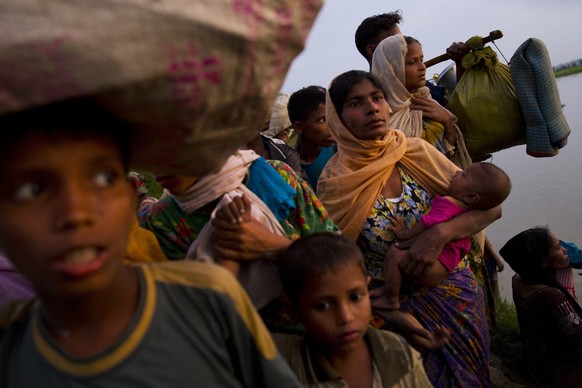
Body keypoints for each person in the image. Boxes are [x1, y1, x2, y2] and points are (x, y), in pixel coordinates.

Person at [0, 99, 301, 386]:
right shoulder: (12, 347)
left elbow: (333, 258)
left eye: (103, 179)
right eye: (31, 190)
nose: (75, 213)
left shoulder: (207, 299)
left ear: (130, 195)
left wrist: (270, 246)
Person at [316, 70, 501, 387]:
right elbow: (334, 265)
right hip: (397, 313)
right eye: (356, 103)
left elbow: (490, 208)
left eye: (376, 98)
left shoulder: (416, 151)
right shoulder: (335, 185)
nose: (373, 108)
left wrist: (439, 234)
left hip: (457, 296)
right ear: (338, 118)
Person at [273, 232, 433, 387]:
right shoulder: (285, 362)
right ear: (293, 312)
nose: (346, 317)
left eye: (355, 297)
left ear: (367, 288)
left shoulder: (395, 350)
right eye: (323, 306)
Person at [382, 162, 510, 328]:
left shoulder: (448, 202)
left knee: (395, 254)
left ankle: (391, 299)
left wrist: (403, 233)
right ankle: (392, 291)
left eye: (463, 175)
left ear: (471, 197)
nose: (457, 172)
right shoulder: (469, 207)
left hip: (436, 265)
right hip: (449, 264)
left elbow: (427, 224)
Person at [372, 34, 471, 169]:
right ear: (392, 70)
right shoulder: (379, 119)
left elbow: (449, 156)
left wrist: (447, 122)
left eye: (421, 59)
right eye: (412, 62)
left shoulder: (426, 99)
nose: (422, 67)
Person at [499, 227, 582, 387]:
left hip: (535, 361)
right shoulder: (552, 296)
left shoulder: (518, 279)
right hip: (561, 371)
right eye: (558, 248)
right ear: (542, 261)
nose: (565, 250)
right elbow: (579, 337)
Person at [354, 11, 447, 106]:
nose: (403, 43)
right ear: (372, 50)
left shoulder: (421, 89)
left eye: (402, 38)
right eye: (394, 40)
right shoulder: (370, 99)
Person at [287, 85, 336, 191]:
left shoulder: (338, 153)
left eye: (332, 118)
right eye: (322, 120)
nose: (332, 126)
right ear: (299, 127)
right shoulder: (288, 167)